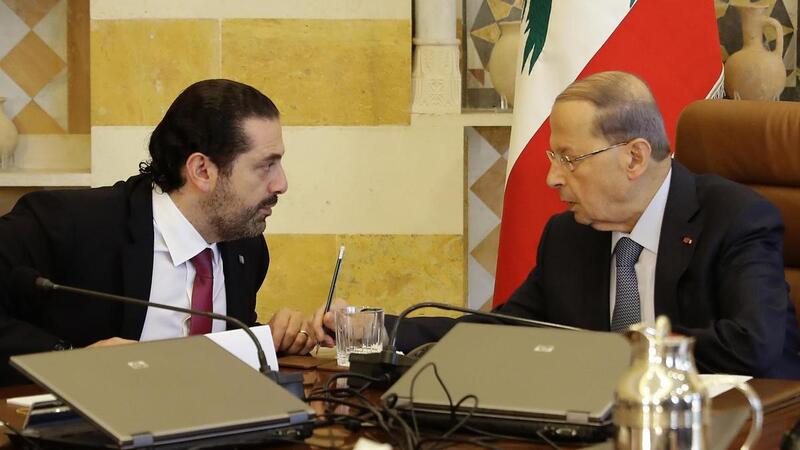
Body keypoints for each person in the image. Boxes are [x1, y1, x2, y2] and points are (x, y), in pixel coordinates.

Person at [313, 71, 800, 378]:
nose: (552, 178)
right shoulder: (570, 235)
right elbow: (500, 331)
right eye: (553, 158)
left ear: (634, 157)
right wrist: (377, 330)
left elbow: (753, 345)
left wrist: (617, 352)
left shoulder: (735, 218)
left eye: (570, 159)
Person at [0, 79, 316, 385]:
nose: (281, 184)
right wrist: (73, 360)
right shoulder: (67, 223)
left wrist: (275, 337)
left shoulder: (246, 247)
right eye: (266, 165)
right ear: (202, 171)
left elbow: (216, 351)